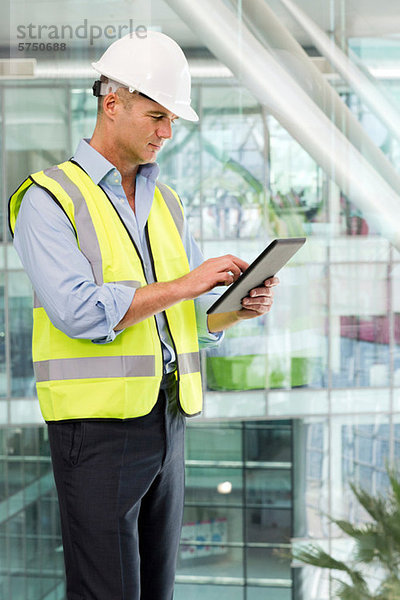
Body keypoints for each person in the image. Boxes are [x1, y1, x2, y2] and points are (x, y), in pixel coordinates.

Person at [8, 31, 279, 600]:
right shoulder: (47, 199)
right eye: (157, 116)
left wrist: (231, 312)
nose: (167, 133)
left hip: (168, 422)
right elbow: (80, 312)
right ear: (113, 104)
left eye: (172, 120)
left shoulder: (167, 201)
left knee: (157, 590)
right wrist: (187, 284)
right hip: (97, 433)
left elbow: (181, 316)